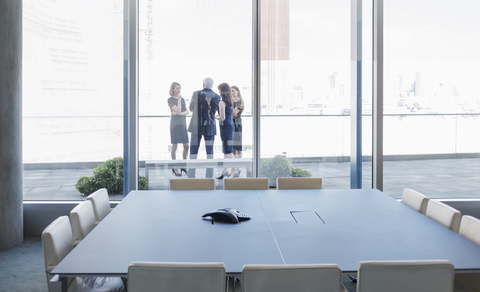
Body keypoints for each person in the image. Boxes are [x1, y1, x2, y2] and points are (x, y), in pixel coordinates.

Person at [187, 77, 220, 178]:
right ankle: (209, 176)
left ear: (203, 84)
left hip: (196, 126)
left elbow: (190, 108)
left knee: (193, 151)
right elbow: (216, 112)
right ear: (212, 85)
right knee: (209, 152)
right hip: (210, 126)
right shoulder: (217, 96)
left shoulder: (196, 93)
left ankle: (191, 175)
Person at [167, 82, 189, 176]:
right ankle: (174, 167)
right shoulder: (170, 100)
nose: (179, 90)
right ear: (173, 89)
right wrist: (179, 101)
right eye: (177, 88)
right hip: (175, 125)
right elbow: (179, 109)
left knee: (186, 145)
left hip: (183, 124)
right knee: (174, 146)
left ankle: (184, 165)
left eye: (180, 88)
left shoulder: (182, 98)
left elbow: (187, 112)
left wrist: (180, 113)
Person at [216, 83, 235, 179]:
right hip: (230, 125)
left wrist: (215, 117)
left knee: (228, 151)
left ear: (222, 91)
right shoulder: (231, 101)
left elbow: (222, 118)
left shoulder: (222, 102)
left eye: (219, 90)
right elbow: (229, 115)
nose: (218, 92)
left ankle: (234, 171)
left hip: (225, 127)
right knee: (226, 150)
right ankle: (224, 171)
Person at [230, 85, 244, 178]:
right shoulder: (231, 101)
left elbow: (234, 113)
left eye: (233, 91)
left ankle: (238, 168)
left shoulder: (240, 101)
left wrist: (231, 114)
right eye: (230, 91)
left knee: (238, 148)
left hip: (237, 125)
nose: (232, 92)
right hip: (231, 125)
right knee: (233, 149)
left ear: (237, 91)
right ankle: (233, 169)